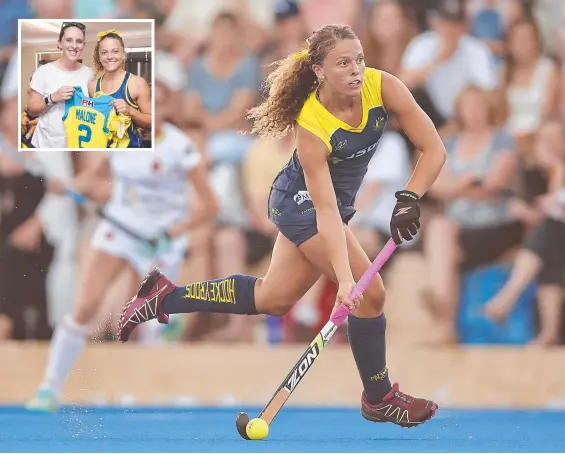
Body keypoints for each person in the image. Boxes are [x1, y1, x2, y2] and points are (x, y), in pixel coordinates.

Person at [119, 25, 446, 427]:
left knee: (274, 298)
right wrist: (344, 280)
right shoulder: (312, 124)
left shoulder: (384, 87)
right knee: (371, 293)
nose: (356, 70)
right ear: (320, 71)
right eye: (343, 63)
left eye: (359, 59)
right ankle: (379, 398)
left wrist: (409, 197)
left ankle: (164, 297)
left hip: (331, 206)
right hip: (300, 202)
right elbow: (325, 210)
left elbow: (434, 149)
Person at [26, 77, 218, 412]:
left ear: (167, 108)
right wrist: (69, 186)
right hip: (120, 231)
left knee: (156, 324)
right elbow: (94, 177)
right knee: (85, 306)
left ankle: (157, 397)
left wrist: (176, 231)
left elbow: (209, 205)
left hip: (161, 241)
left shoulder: (181, 147)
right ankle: (49, 388)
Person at [25, 22, 93, 148]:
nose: (74, 46)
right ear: (59, 43)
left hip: (76, 146)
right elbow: (31, 110)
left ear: (83, 45)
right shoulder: (43, 72)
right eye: (68, 40)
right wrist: (52, 98)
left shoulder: (89, 74)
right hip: (45, 144)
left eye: (79, 41)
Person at [88, 29, 151, 148]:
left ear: (123, 54)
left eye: (115, 51)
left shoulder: (137, 83)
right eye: (104, 52)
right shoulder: (92, 87)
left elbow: (152, 122)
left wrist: (130, 111)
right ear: (99, 57)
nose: (110, 56)